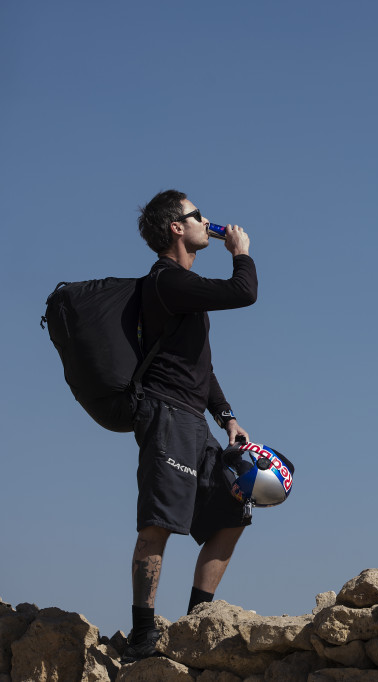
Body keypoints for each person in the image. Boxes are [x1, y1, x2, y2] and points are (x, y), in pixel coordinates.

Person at [123, 189, 258, 663]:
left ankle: (193, 625)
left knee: (232, 512)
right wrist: (241, 253)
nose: (207, 220)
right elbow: (244, 293)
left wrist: (227, 417)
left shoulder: (182, 286)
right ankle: (143, 635)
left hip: (194, 420)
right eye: (197, 214)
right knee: (159, 524)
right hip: (166, 416)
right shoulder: (165, 281)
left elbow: (199, 364)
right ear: (177, 228)